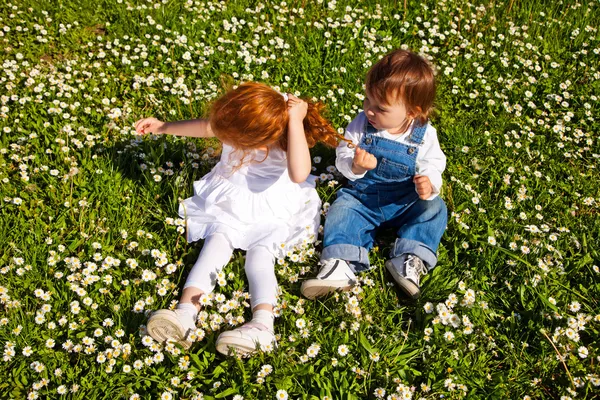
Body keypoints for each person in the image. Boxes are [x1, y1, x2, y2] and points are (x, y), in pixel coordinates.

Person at [135, 82, 339, 355]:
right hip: (232, 201)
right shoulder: (242, 118)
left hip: (273, 209)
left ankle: (263, 326)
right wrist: (163, 126)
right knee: (215, 245)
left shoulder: (281, 130)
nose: (222, 137)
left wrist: (295, 121)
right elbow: (207, 127)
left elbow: (300, 173)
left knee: (259, 257)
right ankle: (185, 313)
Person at [301, 49, 447, 300]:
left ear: (412, 112)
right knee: (342, 210)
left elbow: (434, 162)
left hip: (405, 200)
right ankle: (340, 263)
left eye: (380, 108)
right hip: (363, 198)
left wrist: (429, 182)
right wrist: (355, 167)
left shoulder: (424, 134)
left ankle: (409, 257)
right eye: (367, 100)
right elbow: (343, 155)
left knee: (435, 208)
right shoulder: (361, 125)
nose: (369, 111)